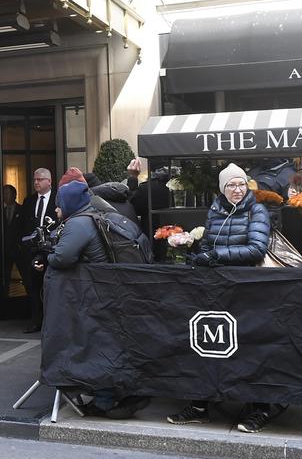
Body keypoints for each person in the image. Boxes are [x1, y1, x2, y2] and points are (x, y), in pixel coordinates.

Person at [167, 163, 272, 431]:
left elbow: (257, 249)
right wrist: (197, 252)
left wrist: (216, 257)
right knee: (207, 345)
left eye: (241, 184)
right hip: (217, 288)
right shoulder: (214, 211)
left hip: (248, 289)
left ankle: (259, 407)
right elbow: (209, 243)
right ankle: (201, 404)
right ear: (222, 189)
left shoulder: (256, 210)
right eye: (231, 185)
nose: (237, 190)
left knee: (249, 348)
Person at [41, 179, 149, 419]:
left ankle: (104, 401)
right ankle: (122, 393)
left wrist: (47, 256)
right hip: (110, 291)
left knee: (96, 346)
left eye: (59, 205)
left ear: (68, 203)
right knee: (109, 343)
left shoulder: (78, 223)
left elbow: (62, 258)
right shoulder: (95, 214)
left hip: (94, 296)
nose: (56, 210)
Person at [20, 168, 56, 333]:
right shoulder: (29, 201)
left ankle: (51, 322)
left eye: (40, 179)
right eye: (35, 179)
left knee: (50, 286)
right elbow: (24, 226)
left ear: (49, 181)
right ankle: (36, 321)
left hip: (50, 249)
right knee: (33, 286)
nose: (36, 182)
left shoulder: (57, 199)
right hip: (32, 250)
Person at [126, 159, 171, 235]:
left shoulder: (147, 188)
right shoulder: (185, 185)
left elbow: (133, 209)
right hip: (182, 236)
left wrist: (133, 177)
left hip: (153, 238)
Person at [1, 184, 24, 298]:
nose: (5, 196)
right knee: (5, 276)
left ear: (14, 195)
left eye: (7, 193)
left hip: (18, 248)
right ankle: (4, 299)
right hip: (5, 249)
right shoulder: (0, 212)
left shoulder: (22, 210)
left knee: (24, 274)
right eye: (4, 194)